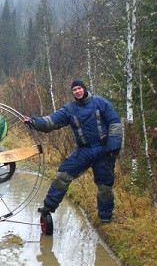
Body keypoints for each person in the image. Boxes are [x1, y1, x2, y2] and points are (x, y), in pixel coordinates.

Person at [23, 79, 123, 223]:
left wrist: (113, 148)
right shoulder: (69, 109)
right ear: (72, 93)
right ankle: (48, 208)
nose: (77, 91)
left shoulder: (101, 103)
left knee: (104, 186)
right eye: (74, 90)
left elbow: (115, 123)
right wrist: (33, 122)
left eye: (79, 88)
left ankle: (105, 218)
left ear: (84, 89)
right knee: (62, 175)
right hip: (84, 151)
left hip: (103, 151)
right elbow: (51, 121)